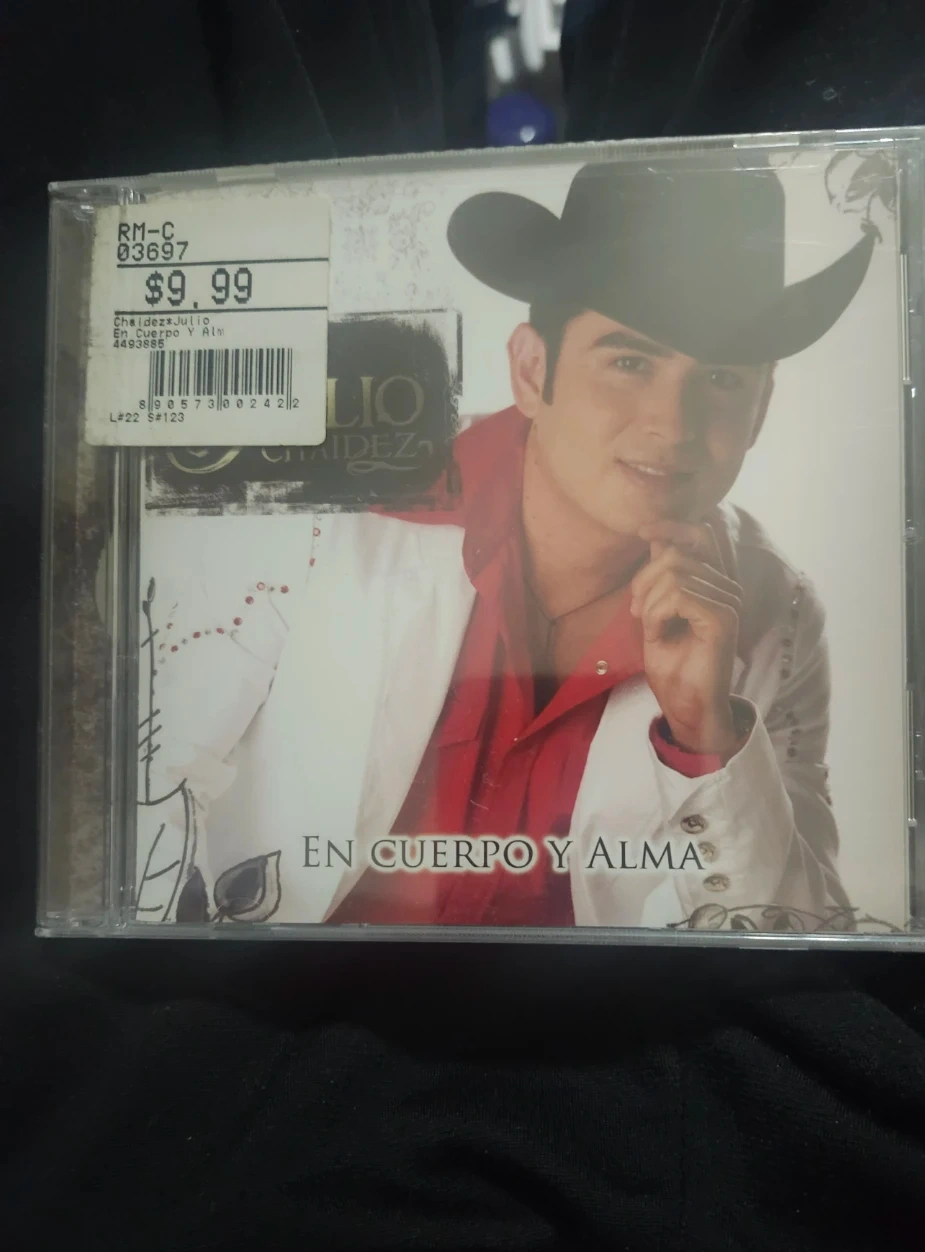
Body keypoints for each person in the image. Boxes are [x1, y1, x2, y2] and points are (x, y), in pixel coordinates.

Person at [141, 158, 876, 929]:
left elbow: (805, 933)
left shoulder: (778, 615)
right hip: (280, 983)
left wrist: (707, 736)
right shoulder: (324, 509)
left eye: (722, 379)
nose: (673, 425)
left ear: (762, 408)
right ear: (531, 369)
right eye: (630, 362)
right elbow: (142, 790)